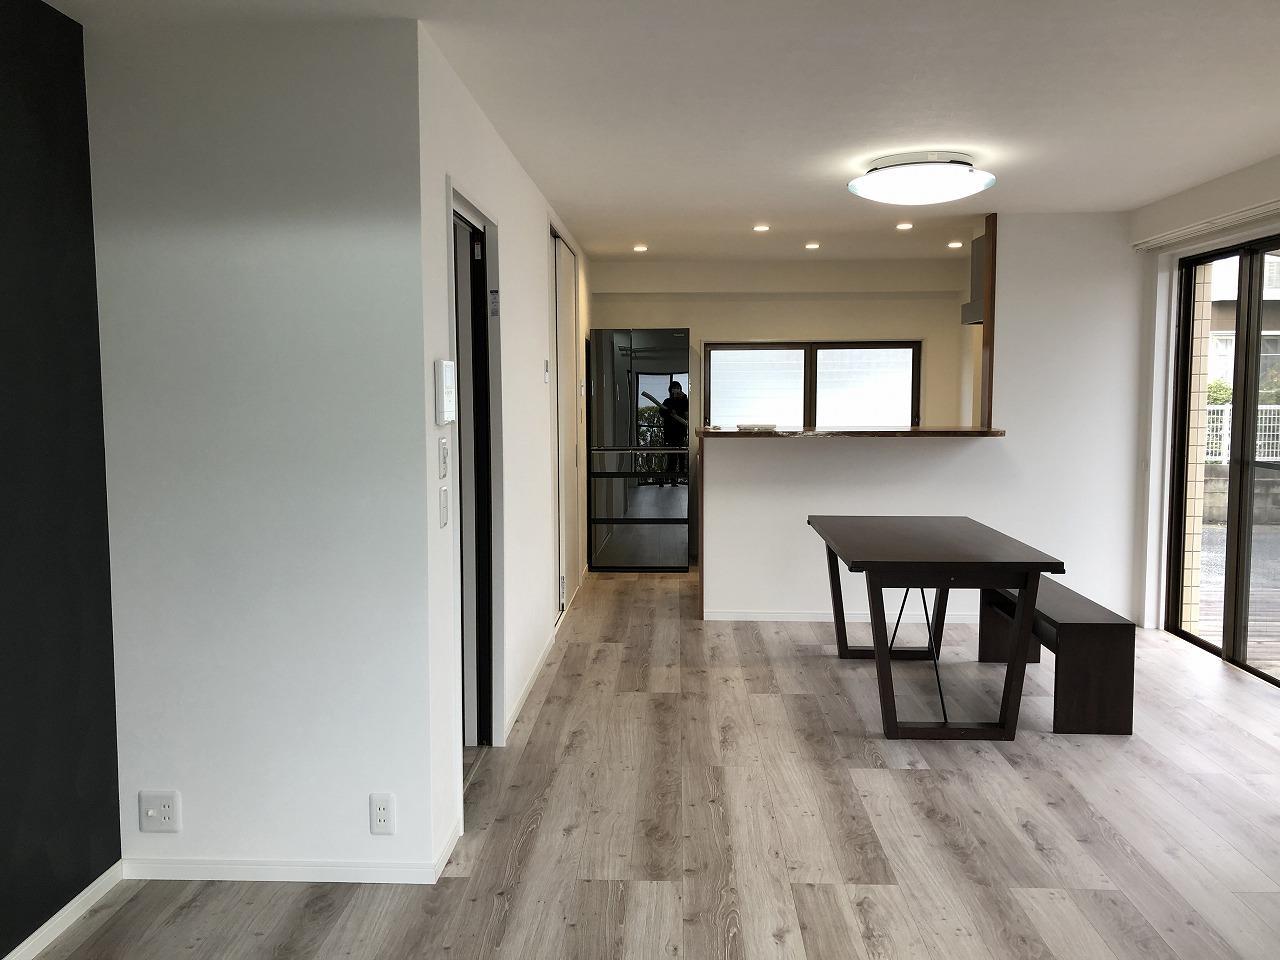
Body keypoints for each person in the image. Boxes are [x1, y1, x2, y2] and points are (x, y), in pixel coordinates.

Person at [659, 381, 689, 483]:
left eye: (678, 388)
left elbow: (687, 412)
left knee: (682, 455)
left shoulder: (683, 401)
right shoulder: (667, 401)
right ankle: (670, 478)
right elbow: (662, 413)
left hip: (680, 433)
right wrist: (670, 411)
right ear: (671, 390)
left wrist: (684, 398)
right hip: (670, 433)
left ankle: (681, 477)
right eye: (674, 388)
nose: (677, 390)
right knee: (671, 457)